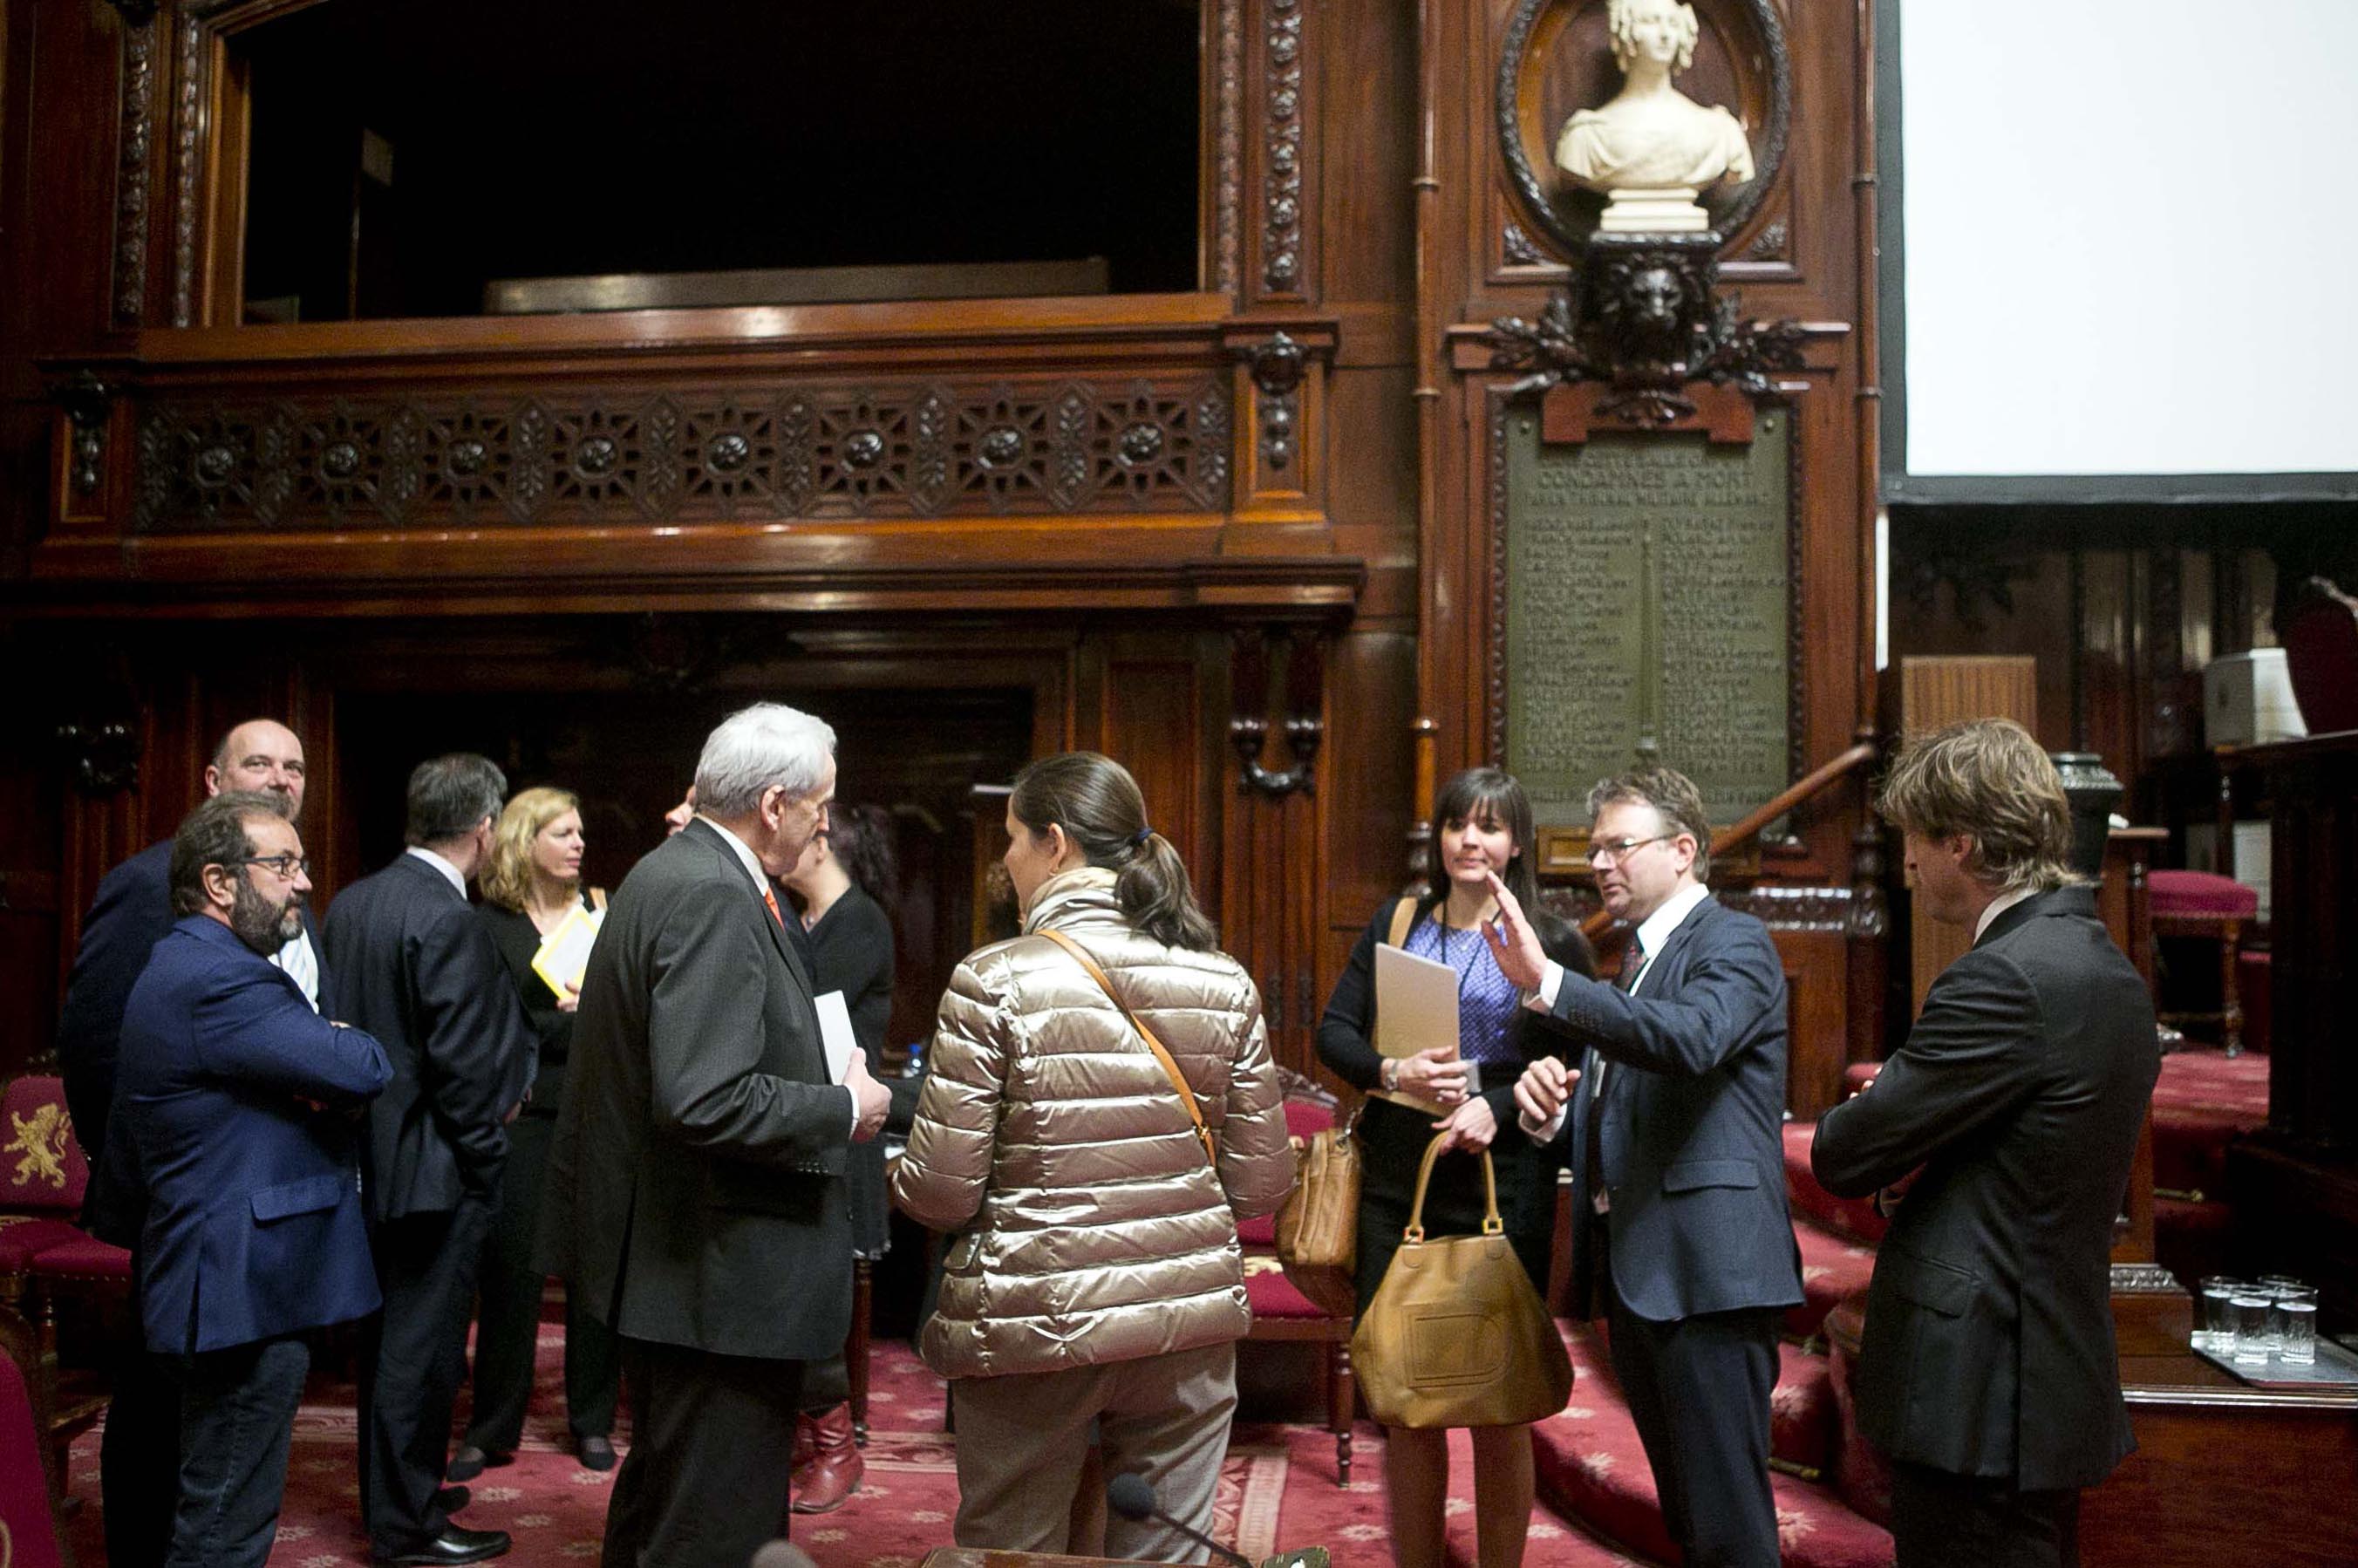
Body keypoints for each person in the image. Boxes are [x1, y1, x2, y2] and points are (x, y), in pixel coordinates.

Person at [891, 751, 1295, 1565]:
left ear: (1055, 841)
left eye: (1011, 839)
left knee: (1013, 1551)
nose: (1003, 859)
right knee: (1166, 1553)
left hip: (1039, 1317)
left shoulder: (992, 978)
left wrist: (889, 1161)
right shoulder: (1222, 980)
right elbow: (1260, 1184)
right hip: (1184, 1321)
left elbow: (939, 1194)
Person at [542, 702, 891, 1568]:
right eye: (820, 805)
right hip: (714, 1273)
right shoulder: (710, 892)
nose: (823, 824)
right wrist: (843, 1109)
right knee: (710, 1528)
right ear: (774, 804)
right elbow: (705, 1098)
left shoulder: (679, 872)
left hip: (691, 1267)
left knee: (670, 1507)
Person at [1812, 720, 2160, 1568]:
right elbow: (2028, 1155)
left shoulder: (2001, 978)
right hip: (2038, 1372)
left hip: (1980, 1392)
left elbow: (1842, 1152)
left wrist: (1890, 1118)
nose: (1906, 864)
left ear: (1961, 843)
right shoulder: (2102, 962)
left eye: (1915, 841)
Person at [1489, 766, 1803, 1568]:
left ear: (1683, 851)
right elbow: (1640, 1101)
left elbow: (1691, 1041)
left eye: (1619, 847)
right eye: (1595, 850)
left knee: (1730, 1533)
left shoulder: (1733, 942)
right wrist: (1559, 1117)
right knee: (1695, 1526)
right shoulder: (1640, 962)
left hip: (1709, 1277)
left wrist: (1549, 984)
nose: (1600, 865)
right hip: (1652, 1278)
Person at [1314, 767, 1593, 1568]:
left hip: (1506, 1178)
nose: (1471, 841)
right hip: (1401, 1175)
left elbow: (1572, 1060)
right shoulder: (1400, 921)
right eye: (1457, 826)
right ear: (1438, 839)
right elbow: (1335, 1034)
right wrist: (1394, 1073)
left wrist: (1495, 1106)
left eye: (1491, 826)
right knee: (1408, 1397)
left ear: (1517, 842)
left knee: (1499, 1401)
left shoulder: (1554, 940)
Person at [58, 716, 317, 1568]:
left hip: (269, 1204)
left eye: (294, 767)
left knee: (224, 1414)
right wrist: (157, 1180)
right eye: (258, 762)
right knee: (163, 1402)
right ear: (213, 782)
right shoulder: (151, 883)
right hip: (188, 1200)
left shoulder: (291, 889)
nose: (279, 778)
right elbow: (97, 1049)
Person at [113, 792, 391, 1568]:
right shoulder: (224, 980)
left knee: (221, 1513)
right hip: (237, 1291)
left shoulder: (197, 965)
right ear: (219, 882)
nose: (303, 882)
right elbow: (363, 1066)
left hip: (232, 1281)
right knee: (223, 1530)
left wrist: (317, 1059)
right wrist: (329, 1048)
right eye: (282, 865)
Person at [325, 753, 537, 1567]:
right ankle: (407, 1528)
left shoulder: (353, 901)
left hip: (371, 1163)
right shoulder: (447, 916)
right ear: (484, 829)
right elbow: (460, 1070)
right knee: (421, 1357)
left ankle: (401, 1495)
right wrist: (488, 1164)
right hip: (436, 1173)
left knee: (390, 1351)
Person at [451, 787, 623, 1478]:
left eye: (581, 832)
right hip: (521, 1117)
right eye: (563, 832)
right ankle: (492, 1427)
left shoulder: (602, 916)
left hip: (593, 1116)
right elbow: (496, 1025)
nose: (579, 843)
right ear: (526, 841)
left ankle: (592, 1422)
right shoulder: (489, 924)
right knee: (512, 1275)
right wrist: (571, 1021)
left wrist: (572, 1022)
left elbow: (623, 1019)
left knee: (591, 1275)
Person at [780, 804, 898, 1514]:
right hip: (806, 1124)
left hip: (844, 1130)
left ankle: (836, 1446)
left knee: (818, 1294)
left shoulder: (861, 922)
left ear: (821, 843)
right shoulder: (802, 917)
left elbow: (807, 1010)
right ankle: (810, 1434)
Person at [1553, 0, 1755, 194]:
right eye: (1651, 22)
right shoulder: (1587, 138)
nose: (1665, 35)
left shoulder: (1720, 132)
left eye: (1673, 23)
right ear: (1627, 32)